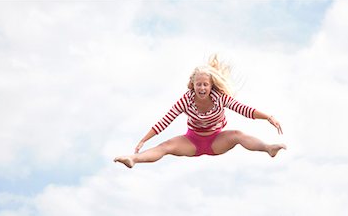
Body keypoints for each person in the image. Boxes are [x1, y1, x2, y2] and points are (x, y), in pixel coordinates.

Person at [114, 55, 286, 169]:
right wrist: (143, 140)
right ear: (193, 85)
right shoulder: (186, 100)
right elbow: (165, 121)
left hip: (217, 140)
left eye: (205, 84)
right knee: (165, 146)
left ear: (211, 86)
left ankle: (268, 148)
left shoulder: (219, 97)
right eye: (199, 84)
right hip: (192, 141)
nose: (202, 88)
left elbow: (244, 110)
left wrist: (268, 117)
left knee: (237, 134)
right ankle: (133, 159)